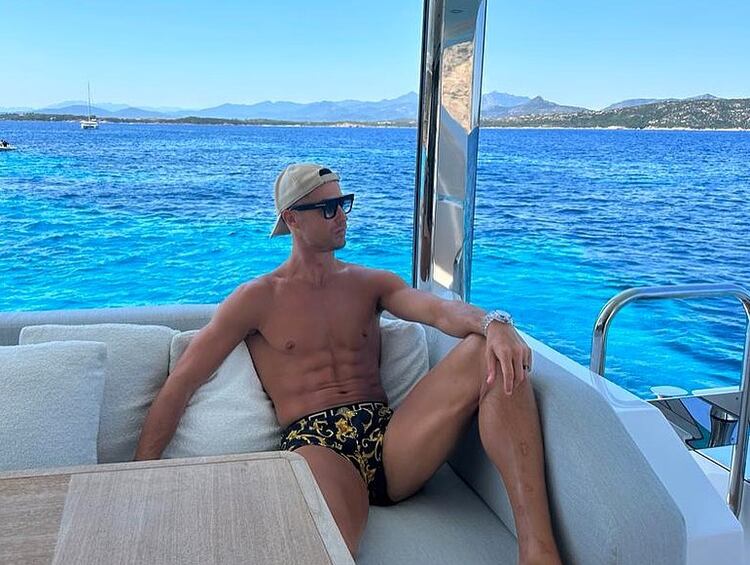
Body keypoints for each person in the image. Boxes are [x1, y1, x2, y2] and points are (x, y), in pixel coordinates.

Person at [134, 163, 562, 564]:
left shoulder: (370, 283)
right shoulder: (257, 298)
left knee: (488, 352)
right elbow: (183, 381)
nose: (341, 216)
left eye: (344, 203)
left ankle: (538, 551)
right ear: (292, 219)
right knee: (328, 545)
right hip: (317, 443)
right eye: (328, 208)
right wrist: (138, 476)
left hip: (390, 439)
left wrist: (494, 323)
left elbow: (437, 311)